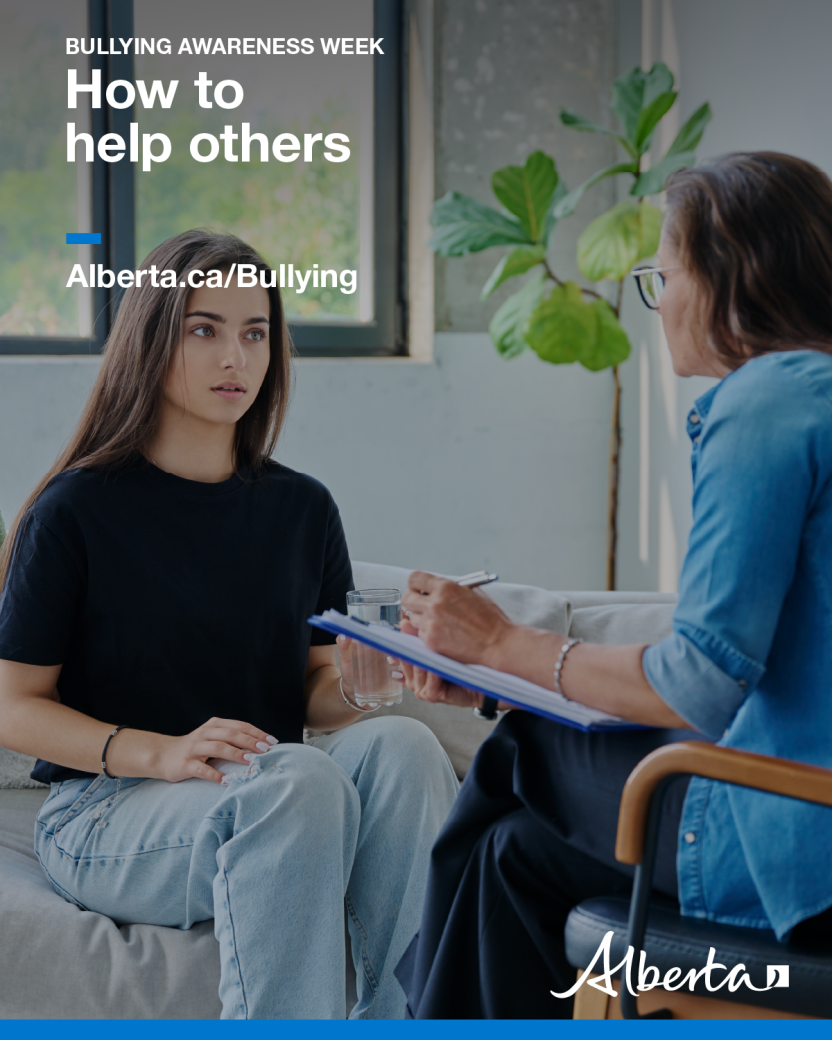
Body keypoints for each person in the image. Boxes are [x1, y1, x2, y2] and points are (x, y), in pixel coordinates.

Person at [393, 152, 832, 1018]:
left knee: (519, 761)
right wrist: (500, 677)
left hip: (798, 844)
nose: (659, 302)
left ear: (725, 276)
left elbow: (700, 683)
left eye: (662, 276)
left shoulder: (769, 401)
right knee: (510, 852)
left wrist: (497, 644)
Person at [0, 230, 458, 1020]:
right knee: (296, 778)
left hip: (268, 791)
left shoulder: (303, 508)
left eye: (255, 334)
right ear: (151, 339)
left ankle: (401, 1021)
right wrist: (163, 753)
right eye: (203, 329)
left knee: (404, 744)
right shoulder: (75, 510)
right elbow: (13, 706)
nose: (235, 359)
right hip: (109, 808)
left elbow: (316, 689)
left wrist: (373, 676)